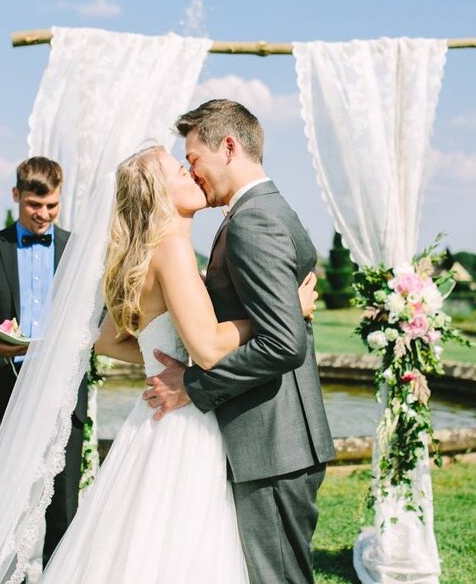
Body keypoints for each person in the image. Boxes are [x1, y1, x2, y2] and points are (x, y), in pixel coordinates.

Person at [36, 145, 318, 583]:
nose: (190, 172)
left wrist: (157, 362)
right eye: (178, 169)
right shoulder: (173, 250)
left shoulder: (143, 253)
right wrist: (285, 310)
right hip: (185, 426)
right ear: (159, 193)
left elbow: (107, 340)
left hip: (151, 420)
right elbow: (206, 348)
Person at [144, 99, 337, 583]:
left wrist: (193, 386)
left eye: (195, 160)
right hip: (275, 438)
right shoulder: (265, 208)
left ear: (228, 147)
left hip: (272, 442)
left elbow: (283, 343)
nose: (193, 173)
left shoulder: (254, 220)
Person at [0, 156, 86, 566]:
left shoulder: (77, 249)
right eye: (34, 205)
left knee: (63, 502)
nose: (43, 215)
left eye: (51, 207)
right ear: (16, 196)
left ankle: (58, 573)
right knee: (4, 498)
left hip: (62, 392)